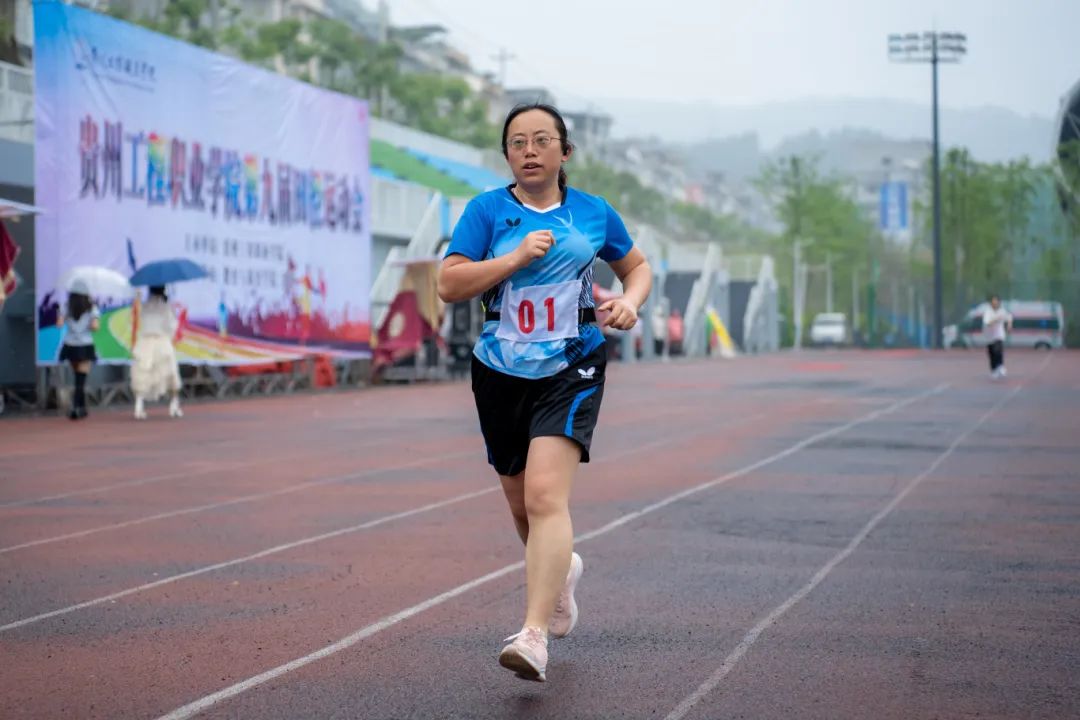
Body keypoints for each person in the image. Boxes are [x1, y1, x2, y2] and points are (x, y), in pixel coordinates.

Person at [437, 103, 652, 682]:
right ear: (507, 154)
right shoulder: (488, 211)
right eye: (516, 143)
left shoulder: (592, 213)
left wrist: (629, 302)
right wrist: (510, 259)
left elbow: (637, 268)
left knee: (544, 497)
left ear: (565, 151)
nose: (529, 151)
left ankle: (533, 636)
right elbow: (449, 281)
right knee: (517, 503)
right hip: (500, 368)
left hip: (572, 362)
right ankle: (561, 574)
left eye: (541, 140)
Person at [131, 285, 183, 419]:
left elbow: (140, 322)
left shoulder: (145, 307)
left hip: (145, 342)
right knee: (170, 374)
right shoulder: (166, 307)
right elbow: (172, 326)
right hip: (162, 342)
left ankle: (139, 406)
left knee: (142, 374)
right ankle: (174, 405)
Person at [57, 280, 100, 420]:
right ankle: (76, 407)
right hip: (85, 344)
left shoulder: (66, 307)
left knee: (77, 375)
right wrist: (88, 325)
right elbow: (95, 327)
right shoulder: (92, 308)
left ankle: (81, 407)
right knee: (81, 379)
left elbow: (59, 324)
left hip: (70, 345)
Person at [982, 294, 1012, 379]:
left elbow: (1009, 317)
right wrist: (996, 319)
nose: (995, 303)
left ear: (999, 302)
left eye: (996, 301)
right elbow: (987, 323)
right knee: (992, 353)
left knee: (998, 349)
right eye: (993, 301)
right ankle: (994, 369)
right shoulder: (988, 312)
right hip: (989, 335)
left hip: (999, 334)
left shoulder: (1002, 311)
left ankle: (1001, 366)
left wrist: (1009, 325)